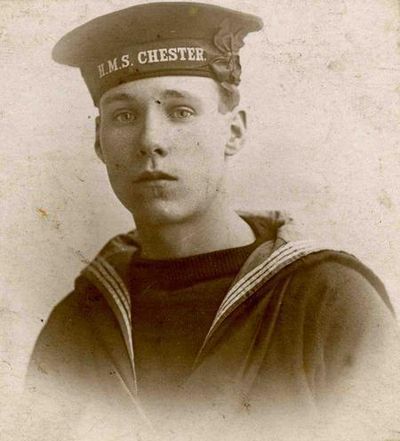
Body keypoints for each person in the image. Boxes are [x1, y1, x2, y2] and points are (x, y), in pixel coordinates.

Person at [24, 2, 400, 441]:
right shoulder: (76, 323)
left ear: (234, 131)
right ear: (99, 142)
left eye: (181, 112)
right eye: (124, 116)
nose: (150, 140)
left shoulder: (330, 301)